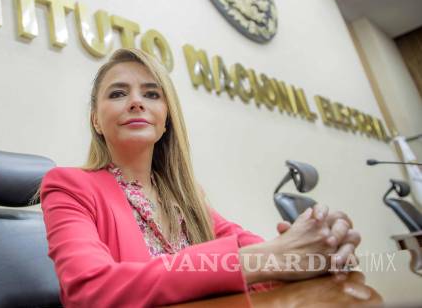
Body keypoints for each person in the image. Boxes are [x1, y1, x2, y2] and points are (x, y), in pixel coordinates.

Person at [40, 48, 362, 307]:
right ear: (96, 121)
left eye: (152, 94)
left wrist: (320, 246)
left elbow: (264, 258)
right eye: (118, 93)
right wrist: (271, 258)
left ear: (166, 120)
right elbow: (89, 291)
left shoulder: (187, 195)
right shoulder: (68, 186)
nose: (136, 102)